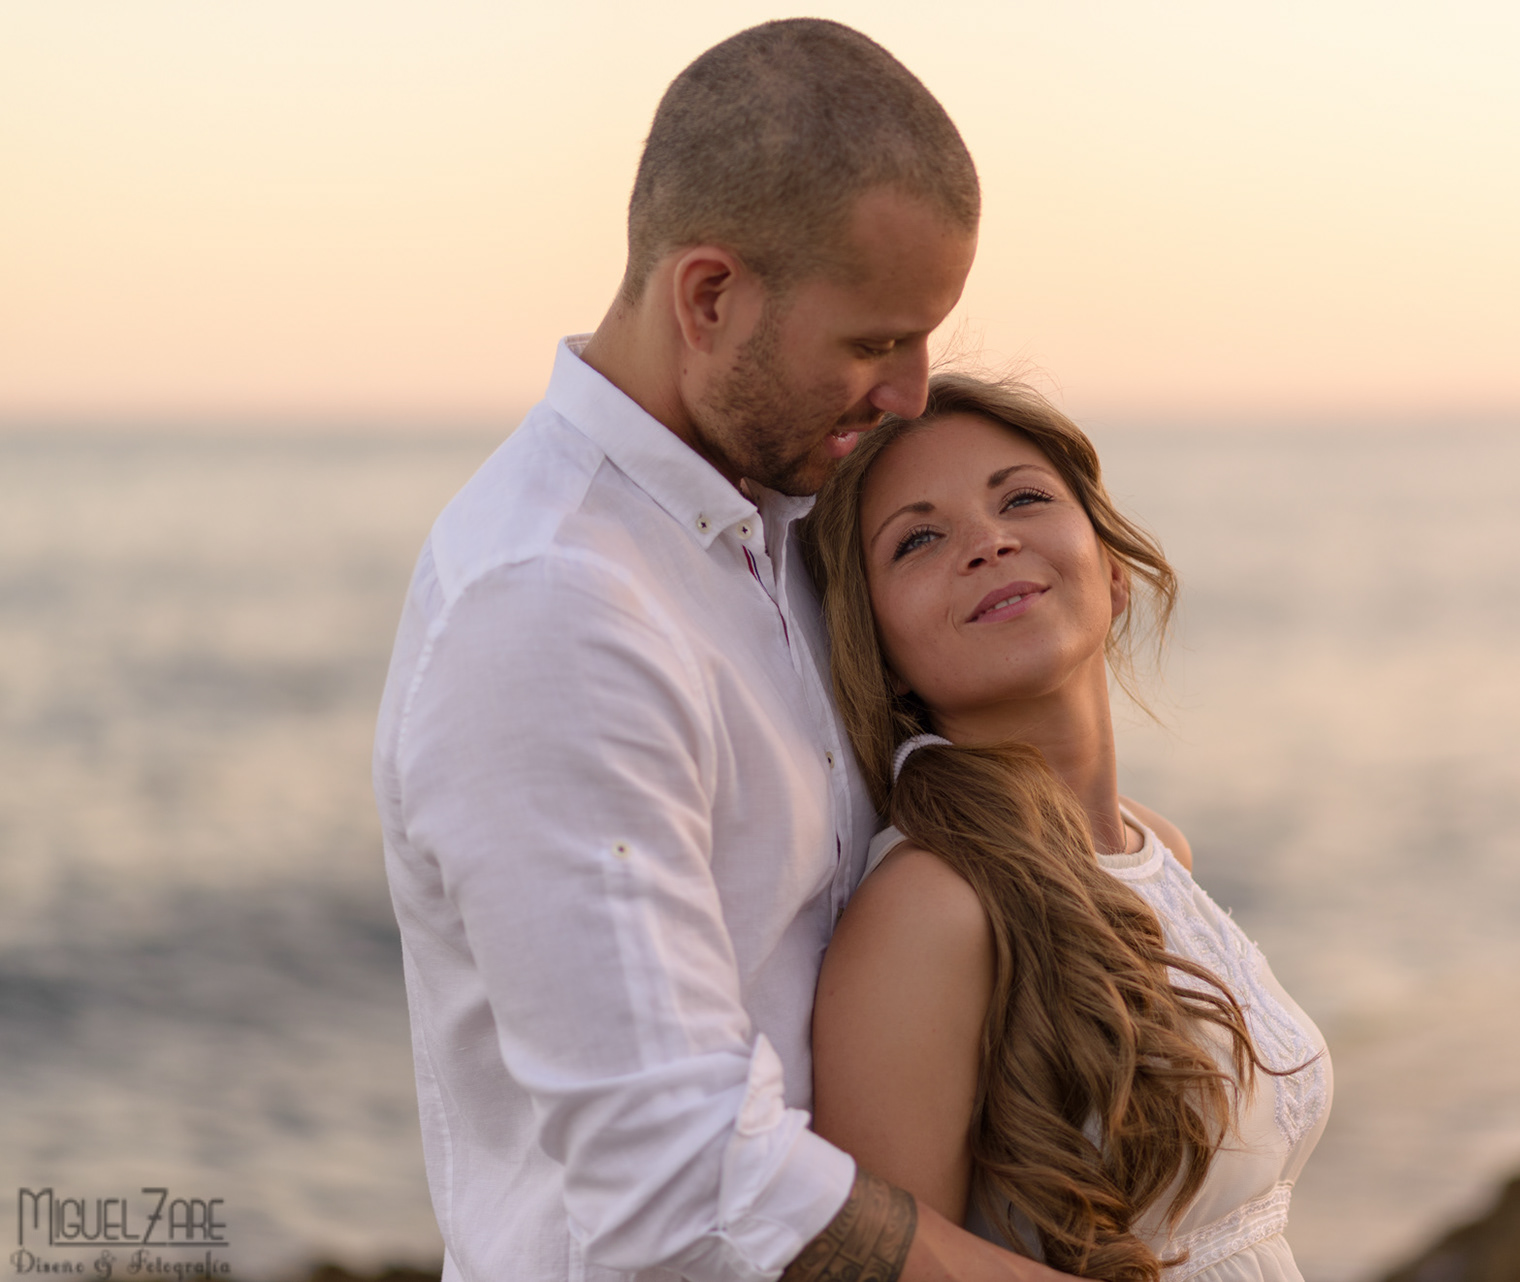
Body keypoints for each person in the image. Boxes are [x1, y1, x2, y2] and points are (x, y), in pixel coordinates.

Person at [373, 21, 1081, 1282]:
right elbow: (683, 1188)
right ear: (709, 298)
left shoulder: (782, 521)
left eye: (925, 336)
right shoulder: (555, 606)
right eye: (874, 342)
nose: (912, 392)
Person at [801, 375, 1334, 1282]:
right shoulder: (933, 907)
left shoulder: (1154, 849)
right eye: (919, 540)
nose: (989, 541)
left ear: (1113, 571)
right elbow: (875, 1268)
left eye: (1022, 499)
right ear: (877, 650)